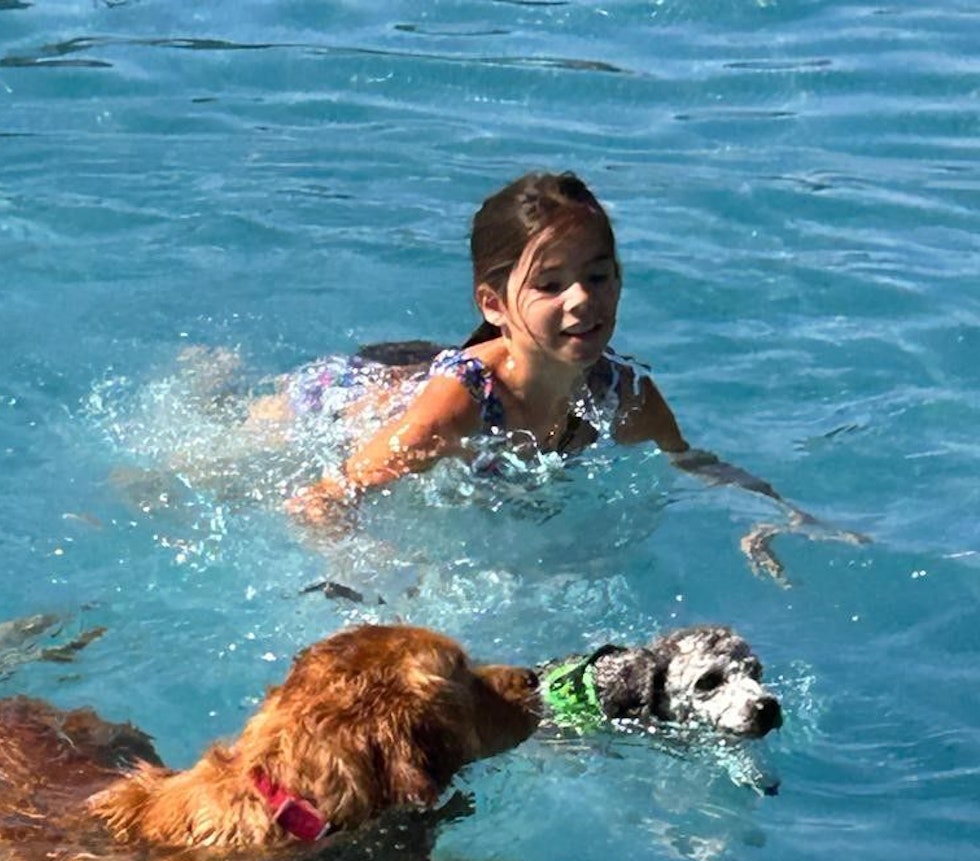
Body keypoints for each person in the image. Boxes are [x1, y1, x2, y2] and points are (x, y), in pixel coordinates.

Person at [266, 171, 864, 581]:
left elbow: (690, 461)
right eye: (550, 285)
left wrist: (780, 513)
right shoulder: (460, 404)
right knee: (213, 466)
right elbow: (318, 502)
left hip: (414, 375)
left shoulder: (623, 395)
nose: (582, 301)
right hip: (330, 402)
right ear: (493, 304)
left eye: (598, 277)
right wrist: (386, 572)